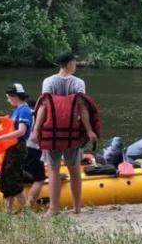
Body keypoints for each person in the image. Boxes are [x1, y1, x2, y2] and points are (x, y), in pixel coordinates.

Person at [30, 52, 97, 215]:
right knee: (74, 170)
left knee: (53, 169)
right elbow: (83, 108)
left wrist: (36, 131)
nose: (76, 65)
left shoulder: (48, 82)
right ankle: (76, 207)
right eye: (75, 62)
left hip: (52, 133)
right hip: (71, 133)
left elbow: (43, 107)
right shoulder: (78, 83)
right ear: (70, 63)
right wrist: (89, 130)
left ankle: (53, 208)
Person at [0, 83, 31, 212]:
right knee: (6, 179)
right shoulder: (16, 111)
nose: (8, 100)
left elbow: (21, 131)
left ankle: (26, 211)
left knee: (14, 179)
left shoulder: (24, 110)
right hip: (11, 148)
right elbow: (12, 127)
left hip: (18, 148)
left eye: (8, 97)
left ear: (15, 96)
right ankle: (8, 211)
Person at [24, 98, 46, 208]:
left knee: (24, 171)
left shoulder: (18, 113)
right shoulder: (37, 115)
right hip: (33, 148)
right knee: (39, 179)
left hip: (18, 148)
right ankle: (28, 207)